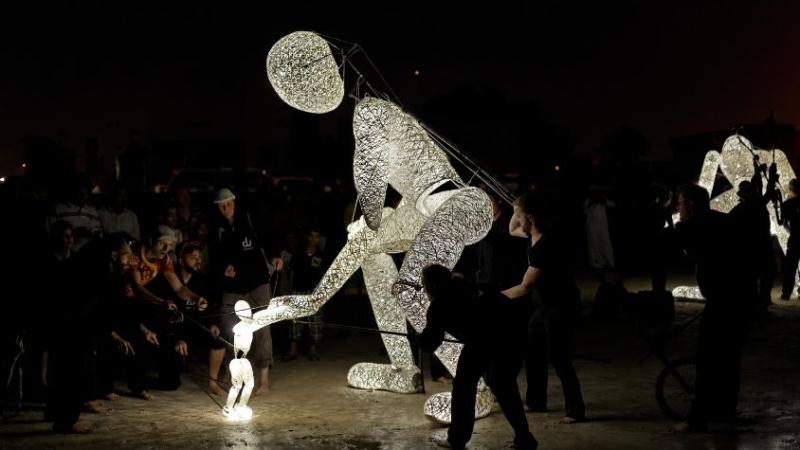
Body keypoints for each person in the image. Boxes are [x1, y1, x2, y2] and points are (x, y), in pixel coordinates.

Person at [420, 264, 537, 450]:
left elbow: (430, 343)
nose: (423, 289)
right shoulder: (462, 286)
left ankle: (457, 440)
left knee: (468, 388)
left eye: (424, 284)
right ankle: (524, 438)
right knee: (500, 387)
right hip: (507, 333)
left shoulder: (438, 306)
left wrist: (420, 338)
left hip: (488, 340)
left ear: (432, 286)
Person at [670, 184, 757, 433]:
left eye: (680, 203)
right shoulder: (722, 220)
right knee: (729, 358)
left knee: (707, 360)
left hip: (724, 301)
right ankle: (725, 410)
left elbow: (670, 245)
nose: (678, 209)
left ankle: (697, 419)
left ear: (691, 206)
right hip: (741, 298)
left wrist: (678, 228)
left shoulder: (697, 225)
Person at [502, 193, 586, 423]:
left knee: (560, 357)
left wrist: (496, 297)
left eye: (520, 216)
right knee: (534, 352)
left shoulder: (546, 245)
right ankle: (536, 401)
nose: (517, 220)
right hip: (544, 305)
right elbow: (511, 230)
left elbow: (525, 286)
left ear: (530, 217)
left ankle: (576, 410)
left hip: (561, 305)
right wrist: (514, 207)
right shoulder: (531, 235)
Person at [211, 188, 281, 396]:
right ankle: (229, 369)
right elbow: (214, 256)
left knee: (262, 327)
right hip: (232, 285)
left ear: (234, 202)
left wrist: (274, 256)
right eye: (221, 205)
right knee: (228, 327)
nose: (225, 208)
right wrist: (224, 268)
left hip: (257, 281)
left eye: (228, 204)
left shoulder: (249, 219)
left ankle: (264, 379)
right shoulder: (216, 227)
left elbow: (268, 237)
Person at [175, 241, 227, 395]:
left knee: (219, 338)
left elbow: (210, 307)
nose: (198, 261)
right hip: (172, 328)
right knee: (170, 381)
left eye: (199, 257)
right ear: (181, 259)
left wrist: (212, 324)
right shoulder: (172, 278)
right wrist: (178, 337)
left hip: (194, 326)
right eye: (192, 257)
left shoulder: (202, 280)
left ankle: (213, 382)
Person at [285, 228, 327, 361]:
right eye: (312, 236)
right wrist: (290, 290)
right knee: (295, 321)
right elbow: (291, 272)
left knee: (315, 322)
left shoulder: (321, 255)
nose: (314, 239)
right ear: (308, 237)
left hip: (313, 292)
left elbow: (322, 275)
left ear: (319, 239)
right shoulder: (298, 252)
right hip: (298, 290)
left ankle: (313, 351)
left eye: (317, 236)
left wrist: (320, 293)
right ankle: (293, 351)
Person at [46, 175, 103, 252]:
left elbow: (99, 234)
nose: (83, 197)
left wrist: (94, 234)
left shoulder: (93, 211)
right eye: (80, 193)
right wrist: (74, 233)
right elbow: (50, 232)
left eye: (86, 194)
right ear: (72, 191)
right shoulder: (59, 209)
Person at [782, 179, 800, 300]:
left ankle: (786, 293)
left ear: (791, 189)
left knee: (790, 267)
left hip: (795, 239)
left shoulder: (788, 204)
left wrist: (791, 232)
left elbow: (783, 223)